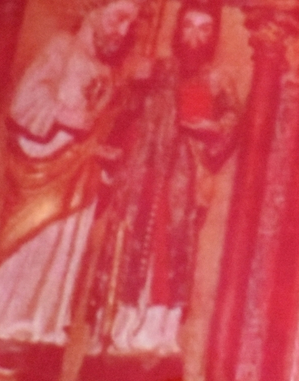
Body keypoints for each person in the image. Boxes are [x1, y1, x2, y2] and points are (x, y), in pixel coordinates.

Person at [0, 0, 141, 346]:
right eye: (119, 18)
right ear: (93, 9)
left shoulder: (108, 72)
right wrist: (63, 115)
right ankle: (4, 325)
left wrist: (98, 150)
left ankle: (42, 328)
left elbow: (96, 126)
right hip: (40, 169)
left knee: (62, 253)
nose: (123, 32)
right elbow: (25, 101)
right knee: (31, 245)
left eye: (131, 25)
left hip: (78, 179)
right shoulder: (62, 48)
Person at [88, 0, 239, 356]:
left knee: (170, 248)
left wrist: (212, 127)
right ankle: (117, 327)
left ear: (213, 36)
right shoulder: (153, 69)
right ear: (178, 29)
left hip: (183, 176)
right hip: (141, 169)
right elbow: (123, 113)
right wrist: (131, 91)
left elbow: (233, 121)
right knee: (127, 240)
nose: (195, 36)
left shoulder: (218, 80)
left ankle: (158, 330)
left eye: (204, 29)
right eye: (189, 26)